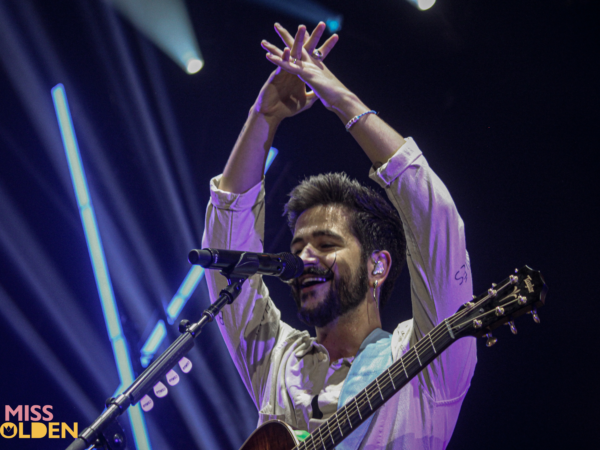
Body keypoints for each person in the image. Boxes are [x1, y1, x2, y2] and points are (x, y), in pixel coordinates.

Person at [202, 22, 476, 449]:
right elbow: (225, 258)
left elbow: (434, 219)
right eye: (297, 247)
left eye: (327, 244)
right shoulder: (279, 360)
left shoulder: (427, 360)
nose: (305, 257)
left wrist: (342, 101)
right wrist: (264, 117)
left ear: (378, 265)